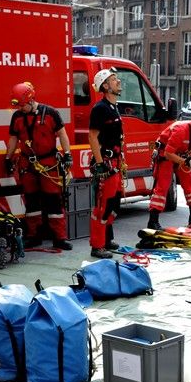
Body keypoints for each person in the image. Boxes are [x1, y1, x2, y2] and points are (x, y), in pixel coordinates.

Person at [4, 81, 73, 250]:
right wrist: (8, 157)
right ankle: (33, 236)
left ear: (30, 100)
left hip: (48, 163)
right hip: (27, 163)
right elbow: (13, 138)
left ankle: (59, 238)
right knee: (31, 201)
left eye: (22, 106)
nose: (20, 109)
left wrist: (68, 154)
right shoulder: (18, 117)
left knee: (54, 201)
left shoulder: (50, 113)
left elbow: (62, 134)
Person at [146, 109, 191, 230]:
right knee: (163, 186)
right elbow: (168, 153)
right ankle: (153, 220)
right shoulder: (181, 130)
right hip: (165, 155)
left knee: (189, 183)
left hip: (181, 155)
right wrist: (184, 161)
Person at [88, 68, 125, 259]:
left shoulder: (113, 107)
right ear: (105, 86)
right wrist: (101, 163)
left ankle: (107, 238)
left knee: (114, 204)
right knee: (103, 206)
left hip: (116, 163)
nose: (118, 81)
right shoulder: (100, 109)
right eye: (113, 79)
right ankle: (97, 246)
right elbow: (93, 137)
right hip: (106, 164)